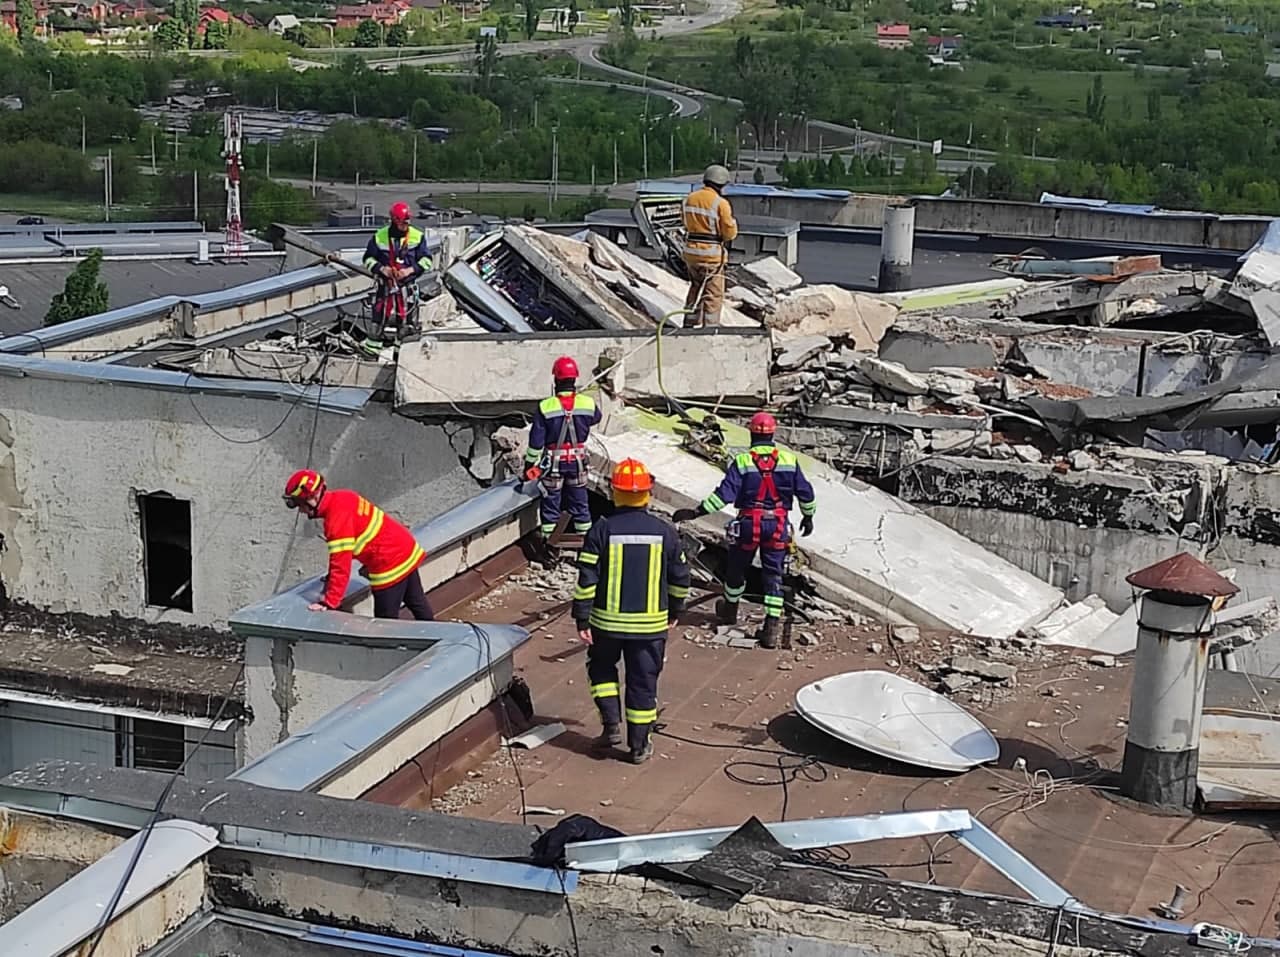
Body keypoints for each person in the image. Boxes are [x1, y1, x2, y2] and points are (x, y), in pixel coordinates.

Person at [573, 458, 691, 764]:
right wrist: (676, 609)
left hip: (606, 625)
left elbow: (587, 579)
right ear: (647, 494)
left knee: (601, 670)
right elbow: (680, 577)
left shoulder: (601, 530)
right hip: (650, 628)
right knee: (643, 683)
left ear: (616, 492)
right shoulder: (664, 532)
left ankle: (611, 725)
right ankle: (639, 746)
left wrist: (582, 617)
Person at [673, 412, 815, 648]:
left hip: (748, 525)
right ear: (773, 434)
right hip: (777, 525)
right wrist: (808, 517)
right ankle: (771, 628)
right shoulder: (789, 460)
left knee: (736, 571)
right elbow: (806, 493)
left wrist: (696, 513)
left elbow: (723, 496)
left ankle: (729, 612)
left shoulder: (742, 462)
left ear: (751, 434)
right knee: (774, 575)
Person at [282, 469, 433, 621]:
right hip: (405, 548)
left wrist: (329, 602)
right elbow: (361, 535)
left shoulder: (335, 522)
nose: (300, 511)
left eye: (300, 505)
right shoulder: (344, 496)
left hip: (389, 563)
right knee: (417, 602)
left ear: (312, 499)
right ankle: (437, 635)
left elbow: (341, 565)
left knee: (385, 624)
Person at [524, 355, 602, 543]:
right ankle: (586, 540)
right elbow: (596, 418)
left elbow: (536, 441)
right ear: (574, 379)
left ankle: (549, 541)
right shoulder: (588, 403)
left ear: (556, 380)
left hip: (553, 464)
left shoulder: (546, 406)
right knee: (580, 501)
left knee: (551, 500)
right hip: (578, 462)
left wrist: (529, 465)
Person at [363, 201, 433, 337]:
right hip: (385, 290)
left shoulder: (417, 236)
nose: (406, 226)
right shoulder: (379, 237)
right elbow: (368, 259)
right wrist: (382, 269)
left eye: (407, 222)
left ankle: (400, 354)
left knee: (406, 328)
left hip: (407, 290)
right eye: (403, 223)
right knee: (378, 325)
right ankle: (373, 352)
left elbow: (426, 260)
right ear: (394, 221)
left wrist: (409, 271)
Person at [681, 164, 738, 327]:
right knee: (712, 295)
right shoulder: (721, 204)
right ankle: (710, 329)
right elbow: (729, 233)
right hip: (711, 256)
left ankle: (689, 323)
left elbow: (684, 222)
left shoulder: (688, 199)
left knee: (695, 288)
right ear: (721, 184)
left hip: (691, 254)